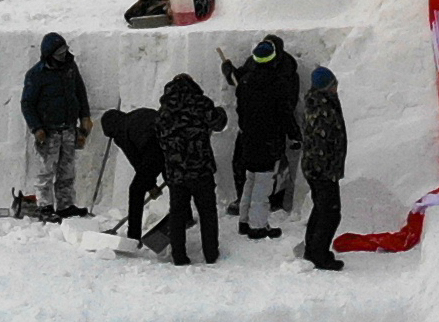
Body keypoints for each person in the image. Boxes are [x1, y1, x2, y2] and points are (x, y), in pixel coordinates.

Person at [224, 33, 301, 239]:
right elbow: (285, 112)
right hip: (269, 139)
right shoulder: (277, 84)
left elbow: (241, 109)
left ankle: (244, 220)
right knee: (263, 183)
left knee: (250, 178)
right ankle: (258, 226)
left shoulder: (246, 82)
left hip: (248, 136)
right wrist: (294, 135)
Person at [17, 31, 93, 219]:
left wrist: (85, 116)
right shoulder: (36, 75)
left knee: (67, 170)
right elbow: (27, 104)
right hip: (48, 132)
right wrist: (37, 128)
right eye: (59, 54)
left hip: (68, 128)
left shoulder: (70, 68)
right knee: (45, 171)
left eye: (65, 52)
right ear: (49, 55)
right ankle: (45, 207)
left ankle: (65, 206)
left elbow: (80, 92)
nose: (63, 57)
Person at [153, 73, 226, 264]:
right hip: (200, 168)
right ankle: (210, 253)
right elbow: (219, 123)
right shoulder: (201, 103)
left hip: (176, 171)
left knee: (177, 213)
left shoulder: (163, 111)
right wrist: (220, 112)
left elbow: (159, 138)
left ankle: (179, 255)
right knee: (207, 211)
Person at [297, 64, 348, 269]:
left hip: (319, 167)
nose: (337, 88)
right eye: (334, 84)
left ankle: (313, 249)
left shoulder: (321, 102)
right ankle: (319, 255)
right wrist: (325, 170)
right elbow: (320, 142)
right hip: (322, 169)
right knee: (330, 212)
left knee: (321, 209)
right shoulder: (322, 108)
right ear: (327, 86)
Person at [100, 103, 164, 241]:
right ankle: (186, 216)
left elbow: (137, 161)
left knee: (136, 190)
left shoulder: (121, 132)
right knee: (174, 179)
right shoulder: (138, 113)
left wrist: (150, 186)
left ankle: (133, 236)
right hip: (170, 143)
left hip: (152, 149)